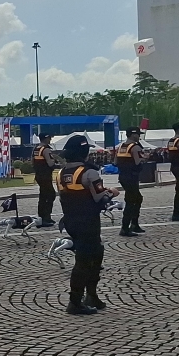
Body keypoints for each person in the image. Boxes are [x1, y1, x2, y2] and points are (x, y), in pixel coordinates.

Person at [57, 135, 119, 315]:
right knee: (85, 262)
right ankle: (75, 302)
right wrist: (112, 193)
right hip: (88, 221)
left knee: (95, 253)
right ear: (84, 152)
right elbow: (100, 200)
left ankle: (91, 296)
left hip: (70, 220)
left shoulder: (62, 173)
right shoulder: (89, 173)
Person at [114, 127, 146, 236]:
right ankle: (125, 227)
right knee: (131, 201)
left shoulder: (120, 147)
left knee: (137, 198)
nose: (139, 136)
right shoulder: (135, 147)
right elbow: (138, 163)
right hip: (132, 177)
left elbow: (115, 162)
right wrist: (144, 158)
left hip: (123, 176)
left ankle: (134, 224)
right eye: (138, 134)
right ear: (133, 135)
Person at [32, 133, 57, 227]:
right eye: (49, 137)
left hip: (39, 175)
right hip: (46, 176)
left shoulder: (36, 149)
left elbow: (33, 161)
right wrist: (55, 160)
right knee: (50, 195)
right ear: (46, 139)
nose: (50, 139)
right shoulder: (45, 149)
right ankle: (46, 217)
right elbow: (50, 163)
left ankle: (41, 216)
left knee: (43, 196)